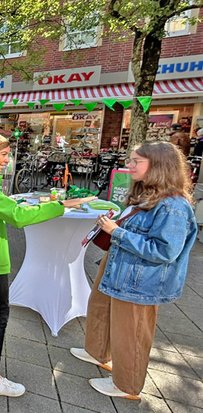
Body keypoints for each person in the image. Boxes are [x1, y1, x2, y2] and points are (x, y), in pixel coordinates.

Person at [0, 133, 95, 397]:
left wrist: (16, 202)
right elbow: (16, 217)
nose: (7, 160)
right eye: (3, 154)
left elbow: (0, 206)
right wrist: (60, 206)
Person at [70, 141, 197, 400]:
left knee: (132, 332)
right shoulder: (148, 193)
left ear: (159, 165)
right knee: (101, 308)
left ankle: (127, 385)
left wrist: (117, 232)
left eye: (136, 161)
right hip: (120, 268)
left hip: (140, 280)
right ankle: (98, 352)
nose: (129, 165)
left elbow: (164, 251)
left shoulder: (173, 206)